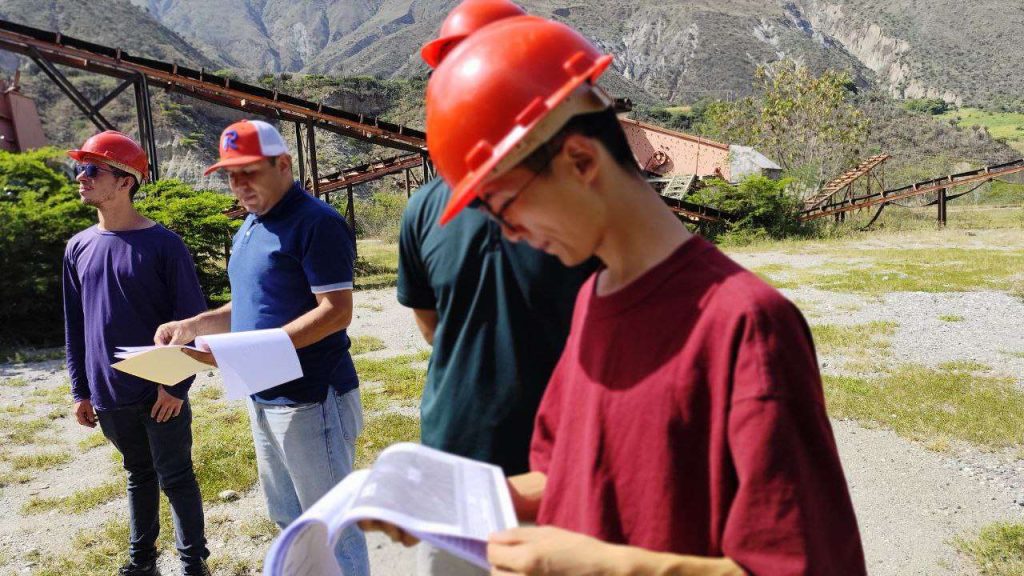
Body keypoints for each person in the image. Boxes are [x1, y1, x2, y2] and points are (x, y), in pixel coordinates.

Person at [424, 14, 867, 575]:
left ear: (581, 161)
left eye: (503, 206)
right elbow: (571, 475)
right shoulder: (594, 299)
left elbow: (802, 565)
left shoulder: (746, 324)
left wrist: (605, 566)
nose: (507, 234)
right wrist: (454, 500)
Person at [392, 2, 598, 574]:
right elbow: (431, 323)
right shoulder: (424, 209)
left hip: (557, 461)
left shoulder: (580, 207)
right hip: (452, 455)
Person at [153, 120, 369, 575]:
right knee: (289, 520)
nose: (239, 185)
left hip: (313, 397)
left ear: (283, 164)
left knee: (331, 526)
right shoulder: (252, 225)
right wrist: (193, 324)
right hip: (266, 394)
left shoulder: (316, 223)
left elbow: (336, 311)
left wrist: (242, 353)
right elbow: (251, 302)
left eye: (249, 171)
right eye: (231, 176)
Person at [62, 131, 211, 576]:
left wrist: (176, 386)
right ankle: (141, 563)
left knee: (176, 477)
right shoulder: (77, 247)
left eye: (92, 170)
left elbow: (192, 321)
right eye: (80, 169)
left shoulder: (164, 245)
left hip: (159, 394)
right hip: (108, 395)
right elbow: (76, 326)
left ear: (125, 181)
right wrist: (80, 390)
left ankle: (192, 565)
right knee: (138, 475)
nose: (80, 178)